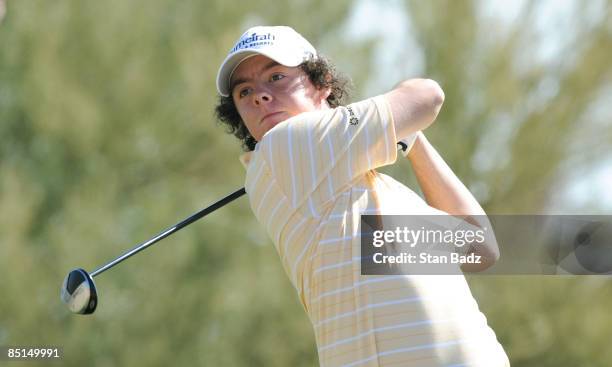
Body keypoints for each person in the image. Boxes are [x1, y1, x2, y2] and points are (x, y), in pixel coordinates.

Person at [215, 25, 510, 367]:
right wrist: (396, 124)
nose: (259, 96)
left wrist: (408, 137)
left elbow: (479, 247)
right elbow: (427, 95)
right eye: (244, 92)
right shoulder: (285, 147)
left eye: (277, 77)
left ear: (321, 82)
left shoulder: (367, 191)